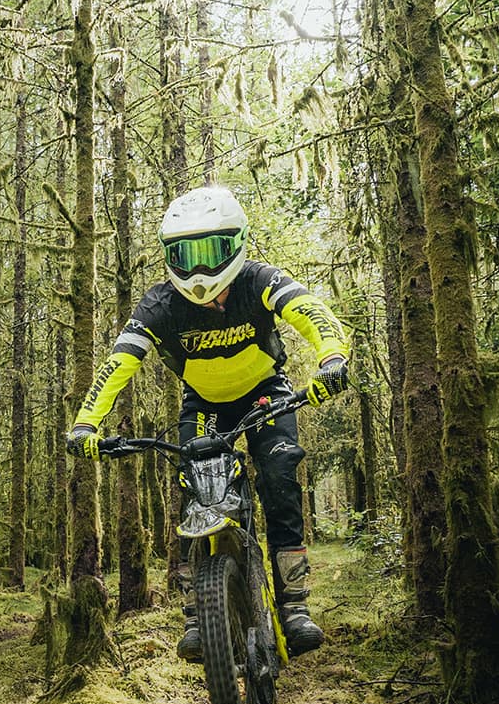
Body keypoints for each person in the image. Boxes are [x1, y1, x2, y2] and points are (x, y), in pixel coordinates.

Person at [66, 185, 352, 657]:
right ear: (169, 256)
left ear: (235, 245)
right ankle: (200, 615)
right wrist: (86, 425)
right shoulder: (159, 305)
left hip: (265, 396)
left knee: (280, 479)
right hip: (204, 406)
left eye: (211, 251)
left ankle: (295, 606)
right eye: (186, 254)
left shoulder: (258, 279)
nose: (199, 270)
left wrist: (332, 359)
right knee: (196, 495)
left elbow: (309, 311)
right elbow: (118, 363)